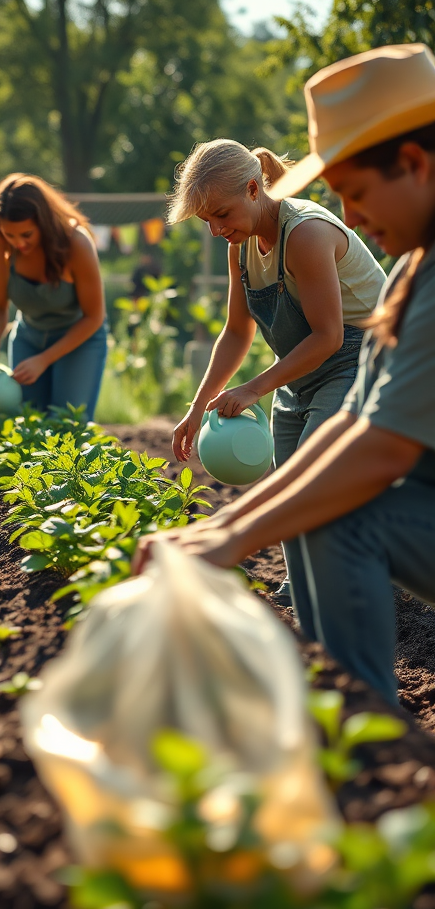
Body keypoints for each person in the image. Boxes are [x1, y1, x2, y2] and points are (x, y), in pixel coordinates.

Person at [135, 43, 435, 706]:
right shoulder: (414, 274)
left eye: (356, 196)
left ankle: (365, 730)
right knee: (315, 502)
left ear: (413, 165)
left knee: (336, 513)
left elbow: (379, 446)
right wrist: (219, 530)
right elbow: (356, 427)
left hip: (338, 366)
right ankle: (337, 703)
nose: (349, 221)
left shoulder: (322, 241)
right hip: (330, 398)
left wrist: (231, 540)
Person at [167, 139, 387, 597]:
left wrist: (251, 390)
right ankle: (303, 584)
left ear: (253, 188)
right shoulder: (241, 244)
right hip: (302, 364)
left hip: (362, 357)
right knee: (285, 476)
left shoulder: (305, 233)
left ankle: (351, 581)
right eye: (207, 221)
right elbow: (235, 333)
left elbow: (328, 336)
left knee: (312, 477)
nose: (215, 230)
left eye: (221, 215)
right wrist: (197, 407)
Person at [0, 174, 107, 420]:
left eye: (27, 234)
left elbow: (94, 317)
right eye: (10, 235)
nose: (18, 243)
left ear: (44, 222)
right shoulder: (2, 248)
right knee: (28, 421)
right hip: (28, 338)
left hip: (79, 341)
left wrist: (44, 360)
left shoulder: (76, 244)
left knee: (68, 423)